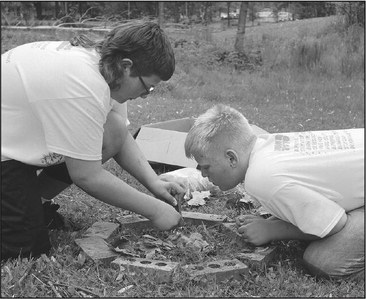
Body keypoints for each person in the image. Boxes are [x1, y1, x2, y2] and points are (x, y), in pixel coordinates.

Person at [1, 22, 184, 261]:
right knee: (25, 249)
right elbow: (87, 175)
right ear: (127, 66)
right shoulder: (83, 84)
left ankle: (35, 202)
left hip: (19, 133)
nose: (144, 95)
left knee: (113, 128)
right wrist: (156, 210)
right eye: (147, 86)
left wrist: (154, 182)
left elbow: (118, 136)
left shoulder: (108, 70)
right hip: (6, 150)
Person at [184, 104, 364, 279]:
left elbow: (335, 224)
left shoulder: (262, 177)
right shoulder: (268, 146)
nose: (203, 174)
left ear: (231, 158)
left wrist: (272, 229)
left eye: (206, 167)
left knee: (325, 261)